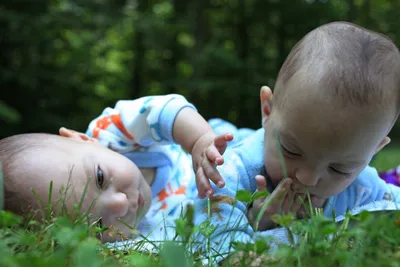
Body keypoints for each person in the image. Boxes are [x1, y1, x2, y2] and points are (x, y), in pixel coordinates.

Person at [191, 21, 400, 260]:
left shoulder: (363, 186)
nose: (308, 178)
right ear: (267, 110)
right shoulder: (228, 172)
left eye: (339, 168)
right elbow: (210, 247)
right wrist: (258, 223)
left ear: (374, 151)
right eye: (291, 150)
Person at [0, 94, 251, 243]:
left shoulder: (111, 134)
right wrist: (252, 215)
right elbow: (213, 227)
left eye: (100, 179)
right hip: (231, 190)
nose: (120, 204)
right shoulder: (141, 235)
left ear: (81, 139)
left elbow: (162, 110)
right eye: (98, 224)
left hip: (224, 144)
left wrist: (198, 140)